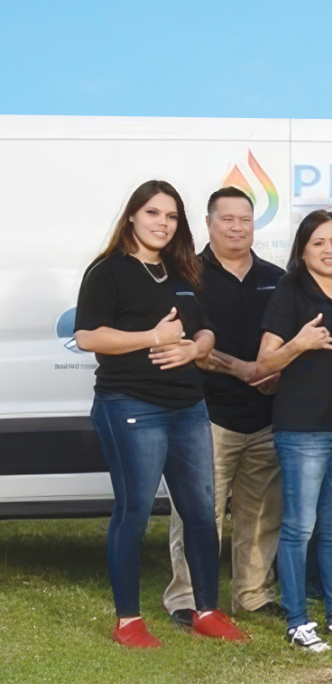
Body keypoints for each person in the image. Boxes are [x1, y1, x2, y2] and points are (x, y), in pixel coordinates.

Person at [78, 181, 234, 647]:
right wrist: (153, 338)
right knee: (134, 512)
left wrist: (194, 347)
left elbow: (206, 333)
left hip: (188, 407)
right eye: (153, 213)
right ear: (132, 216)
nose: (162, 223)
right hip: (130, 404)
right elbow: (88, 337)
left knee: (201, 513)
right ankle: (129, 620)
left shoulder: (182, 273)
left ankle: (206, 610)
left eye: (171, 216)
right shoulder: (107, 272)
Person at [254, 210, 332, 652]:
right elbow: (263, 363)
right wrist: (299, 344)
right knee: (299, 527)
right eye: (319, 243)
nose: (329, 250)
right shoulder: (291, 291)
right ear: (303, 250)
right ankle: (297, 621)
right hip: (303, 427)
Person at [162, 184, 283, 622]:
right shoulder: (186, 277)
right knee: (197, 514)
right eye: (227, 219)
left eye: (245, 219)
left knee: (261, 515)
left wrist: (275, 374)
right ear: (209, 224)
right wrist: (246, 370)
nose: (237, 227)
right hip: (204, 416)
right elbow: (190, 344)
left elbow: (289, 344)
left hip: (265, 417)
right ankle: (188, 599)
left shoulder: (277, 277)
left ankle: (252, 595)